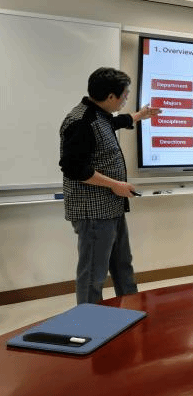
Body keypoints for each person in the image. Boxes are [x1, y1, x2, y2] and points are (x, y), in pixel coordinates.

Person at [59, 67, 161, 303]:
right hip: (93, 213)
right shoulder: (81, 121)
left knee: (123, 265)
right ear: (110, 96)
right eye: (124, 95)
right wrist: (115, 185)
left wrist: (139, 115)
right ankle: (89, 320)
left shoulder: (100, 115)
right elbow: (73, 168)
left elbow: (114, 123)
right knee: (93, 275)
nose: (126, 98)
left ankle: (131, 310)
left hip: (111, 208)